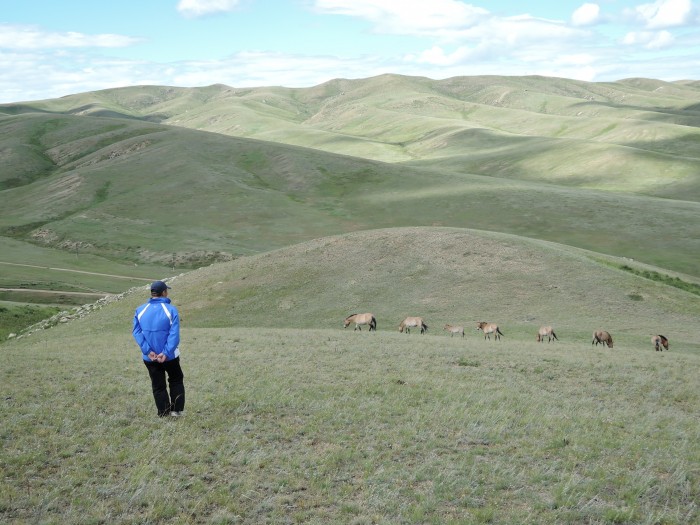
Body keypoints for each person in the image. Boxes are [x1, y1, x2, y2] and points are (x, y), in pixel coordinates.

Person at [132, 280, 185, 417]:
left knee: (158, 385)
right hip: (170, 356)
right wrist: (166, 352)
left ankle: (163, 413)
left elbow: (137, 333)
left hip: (150, 358)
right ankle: (176, 412)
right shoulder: (171, 310)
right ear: (164, 292)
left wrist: (148, 352)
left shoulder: (140, 310)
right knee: (176, 380)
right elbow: (174, 334)